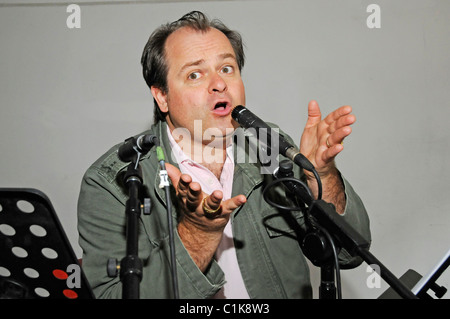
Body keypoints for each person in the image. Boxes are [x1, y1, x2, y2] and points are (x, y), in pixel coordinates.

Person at [77, 11, 371, 299]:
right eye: (194, 74)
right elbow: (112, 294)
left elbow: (348, 254)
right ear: (162, 96)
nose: (219, 83)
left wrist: (321, 176)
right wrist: (199, 232)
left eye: (227, 68)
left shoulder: (267, 145)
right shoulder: (113, 180)